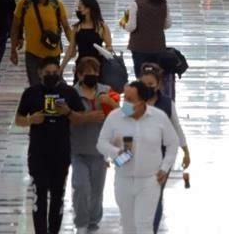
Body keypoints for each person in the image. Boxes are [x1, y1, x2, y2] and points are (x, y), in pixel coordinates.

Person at [97, 81, 180, 234]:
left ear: (143, 102)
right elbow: (101, 143)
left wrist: (165, 168)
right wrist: (116, 152)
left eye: (130, 100)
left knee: (144, 225)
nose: (125, 103)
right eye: (124, 98)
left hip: (149, 180)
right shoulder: (115, 117)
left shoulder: (159, 117)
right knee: (129, 226)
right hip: (123, 179)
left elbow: (172, 143)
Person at [15, 57, 87, 234]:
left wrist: (68, 112)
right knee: (39, 195)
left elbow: (81, 118)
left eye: (55, 73)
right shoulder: (31, 93)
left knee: (57, 196)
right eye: (48, 73)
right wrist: (32, 119)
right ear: (40, 73)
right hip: (38, 152)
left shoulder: (68, 92)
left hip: (61, 151)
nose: (52, 76)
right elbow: (18, 119)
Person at [138, 64, 191, 232]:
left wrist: (186, 151)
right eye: (143, 84)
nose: (147, 88)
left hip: (161, 157)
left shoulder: (167, 104)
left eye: (151, 84)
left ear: (158, 84)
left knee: (155, 196)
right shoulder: (131, 102)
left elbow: (176, 127)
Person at [69, 58, 116, 234]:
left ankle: (94, 221)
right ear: (80, 75)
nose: (92, 76)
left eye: (95, 72)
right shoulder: (72, 94)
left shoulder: (107, 91)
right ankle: (81, 222)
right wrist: (87, 118)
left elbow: (124, 114)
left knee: (97, 190)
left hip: (99, 151)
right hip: (78, 150)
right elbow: (67, 117)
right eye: (88, 72)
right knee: (81, 186)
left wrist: (110, 103)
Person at [10, 0, 75, 87]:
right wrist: (13, 49)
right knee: (36, 87)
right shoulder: (24, 4)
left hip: (52, 54)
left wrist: (72, 45)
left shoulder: (56, 5)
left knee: (53, 84)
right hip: (32, 54)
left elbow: (66, 27)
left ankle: (53, 104)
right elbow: (15, 26)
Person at [123, 0, 172, 76]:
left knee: (141, 76)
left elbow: (132, 27)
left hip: (139, 47)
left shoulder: (136, 3)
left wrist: (124, 24)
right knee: (155, 76)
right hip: (158, 46)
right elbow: (167, 24)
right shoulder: (163, 3)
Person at [61, 0, 114, 75]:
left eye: (80, 8)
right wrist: (62, 67)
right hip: (81, 66)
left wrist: (105, 50)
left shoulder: (101, 27)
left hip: (97, 67)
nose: (78, 11)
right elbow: (70, 49)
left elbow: (109, 46)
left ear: (88, 9)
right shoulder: (77, 28)